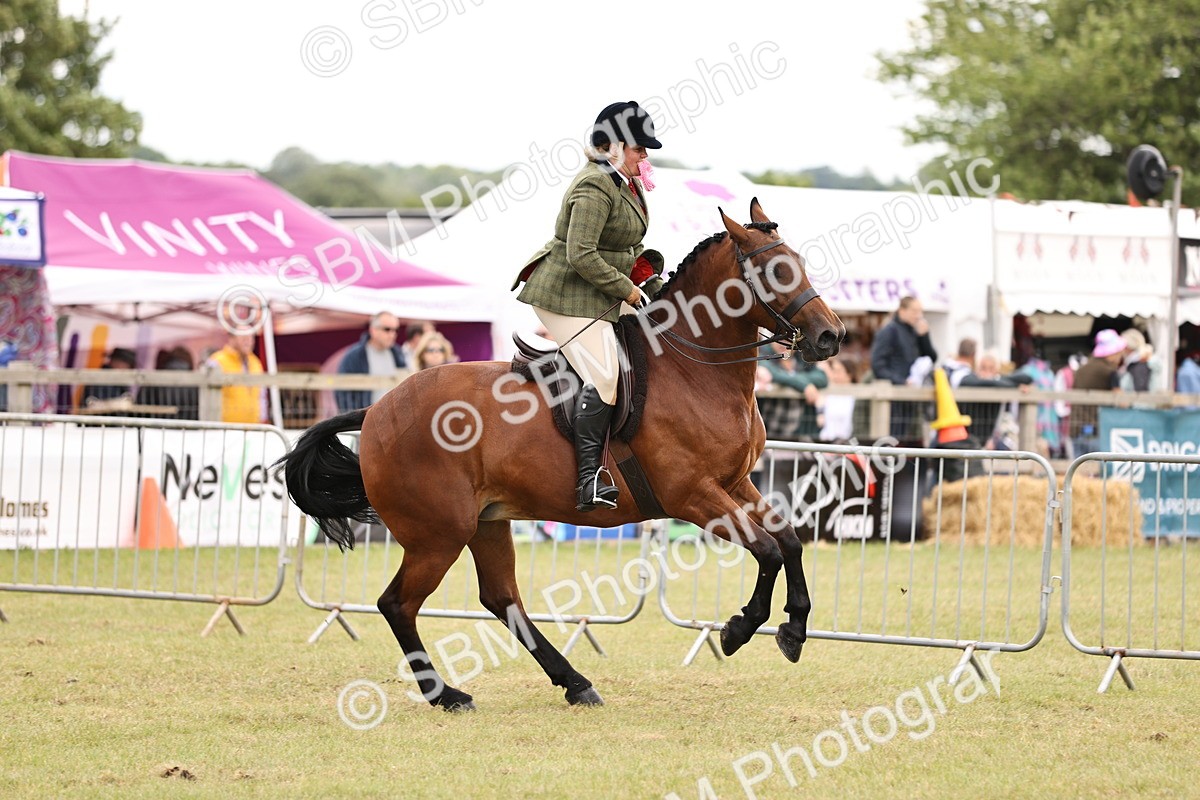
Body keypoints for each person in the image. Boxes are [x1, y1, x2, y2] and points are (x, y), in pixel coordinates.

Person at [511, 100, 666, 512]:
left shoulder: (624, 183)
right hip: (563, 294)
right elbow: (581, 254)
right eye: (639, 148)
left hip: (600, 292)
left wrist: (647, 276)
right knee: (606, 373)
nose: (645, 156)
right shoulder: (594, 185)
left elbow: (623, 246)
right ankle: (589, 480)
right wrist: (628, 291)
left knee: (659, 340)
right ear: (615, 146)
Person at [752, 340, 828, 521]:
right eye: (780, 341)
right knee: (758, 475)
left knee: (797, 476)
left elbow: (822, 378)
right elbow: (769, 371)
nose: (783, 345)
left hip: (794, 433)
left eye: (787, 342)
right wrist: (804, 386)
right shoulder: (763, 352)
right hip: (765, 430)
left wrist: (797, 381)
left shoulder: (802, 359)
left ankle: (788, 520)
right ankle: (757, 517)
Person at [870, 296, 937, 439]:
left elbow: (931, 358)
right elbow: (877, 365)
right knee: (892, 439)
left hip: (910, 398)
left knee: (907, 441)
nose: (919, 316)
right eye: (914, 311)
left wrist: (924, 337)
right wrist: (901, 381)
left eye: (920, 311)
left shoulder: (914, 331)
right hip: (893, 398)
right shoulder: (889, 331)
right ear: (902, 310)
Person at [335, 312, 408, 412]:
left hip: (393, 418)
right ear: (373, 330)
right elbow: (343, 392)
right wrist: (352, 420)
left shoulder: (398, 354)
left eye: (396, 330)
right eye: (387, 329)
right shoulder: (355, 356)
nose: (392, 334)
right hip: (365, 419)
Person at [1070, 329, 1126, 455]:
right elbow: (1122, 402)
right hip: (1098, 429)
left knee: (1079, 471)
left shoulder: (1081, 370)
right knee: (1099, 471)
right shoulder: (1110, 371)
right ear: (1113, 352)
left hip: (1076, 428)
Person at [205, 332, 265, 424]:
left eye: (251, 337)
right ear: (231, 338)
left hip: (253, 428)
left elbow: (261, 395)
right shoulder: (217, 361)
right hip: (224, 429)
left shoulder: (255, 362)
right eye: (243, 337)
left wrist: (263, 417)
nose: (248, 341)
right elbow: (206, 396)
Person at [139, 346, 199, 420]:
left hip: (156, 427)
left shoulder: (152, 380)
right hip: (188, 429)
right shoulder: (195, 383)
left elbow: (140, 407)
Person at [817, 356, 858, 442]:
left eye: (838, 371)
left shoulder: (857, 398)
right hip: (826, 443)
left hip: (848, 445)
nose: (834, 375)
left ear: (849, 375)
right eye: (833, 370)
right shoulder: (827, 394)